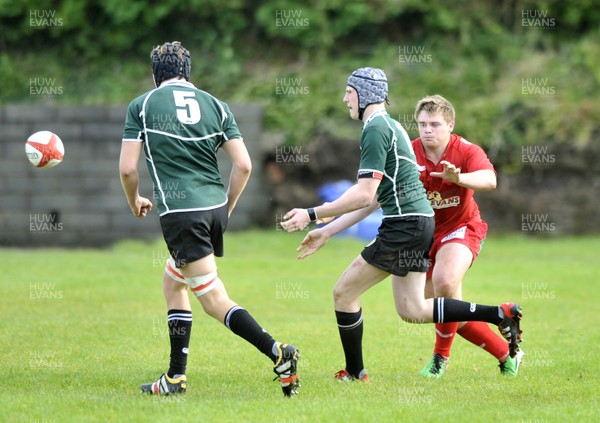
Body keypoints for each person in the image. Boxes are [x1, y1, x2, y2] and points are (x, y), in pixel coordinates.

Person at [280, 67, 522, 382]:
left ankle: (356, 372)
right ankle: (498, 313)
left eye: (349, 92)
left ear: (363, 94)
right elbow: (375, 197)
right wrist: (327, 230)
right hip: (419, 224)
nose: (344, 99)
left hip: (405, 226)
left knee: (343, 292)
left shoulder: (376, 129)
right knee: (412, 309)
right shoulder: (393, 128)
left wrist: (312, 213)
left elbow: (363, 194)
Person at [119, 41, 299, 397]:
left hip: (181, 213)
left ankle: (278, 352)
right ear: (188, 71)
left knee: (213, 299)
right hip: (215, 208)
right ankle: (175, 377)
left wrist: (134, 200)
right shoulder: (217, 105)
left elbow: (127, 169)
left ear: (156, 74)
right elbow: (244, 165)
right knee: (174, 282)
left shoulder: (141, 105)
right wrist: (227, 207)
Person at [412, 94, 523, 378]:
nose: (427, 130)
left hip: (462, 228)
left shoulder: (466, 150)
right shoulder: (410, 151)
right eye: (422, 124)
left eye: (434, 124)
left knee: (445, 283)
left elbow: (490, 179)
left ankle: (439, 359)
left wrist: (458, 178)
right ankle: (507, 353)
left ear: (450, 125)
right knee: (439, 310)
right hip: (425, 236)